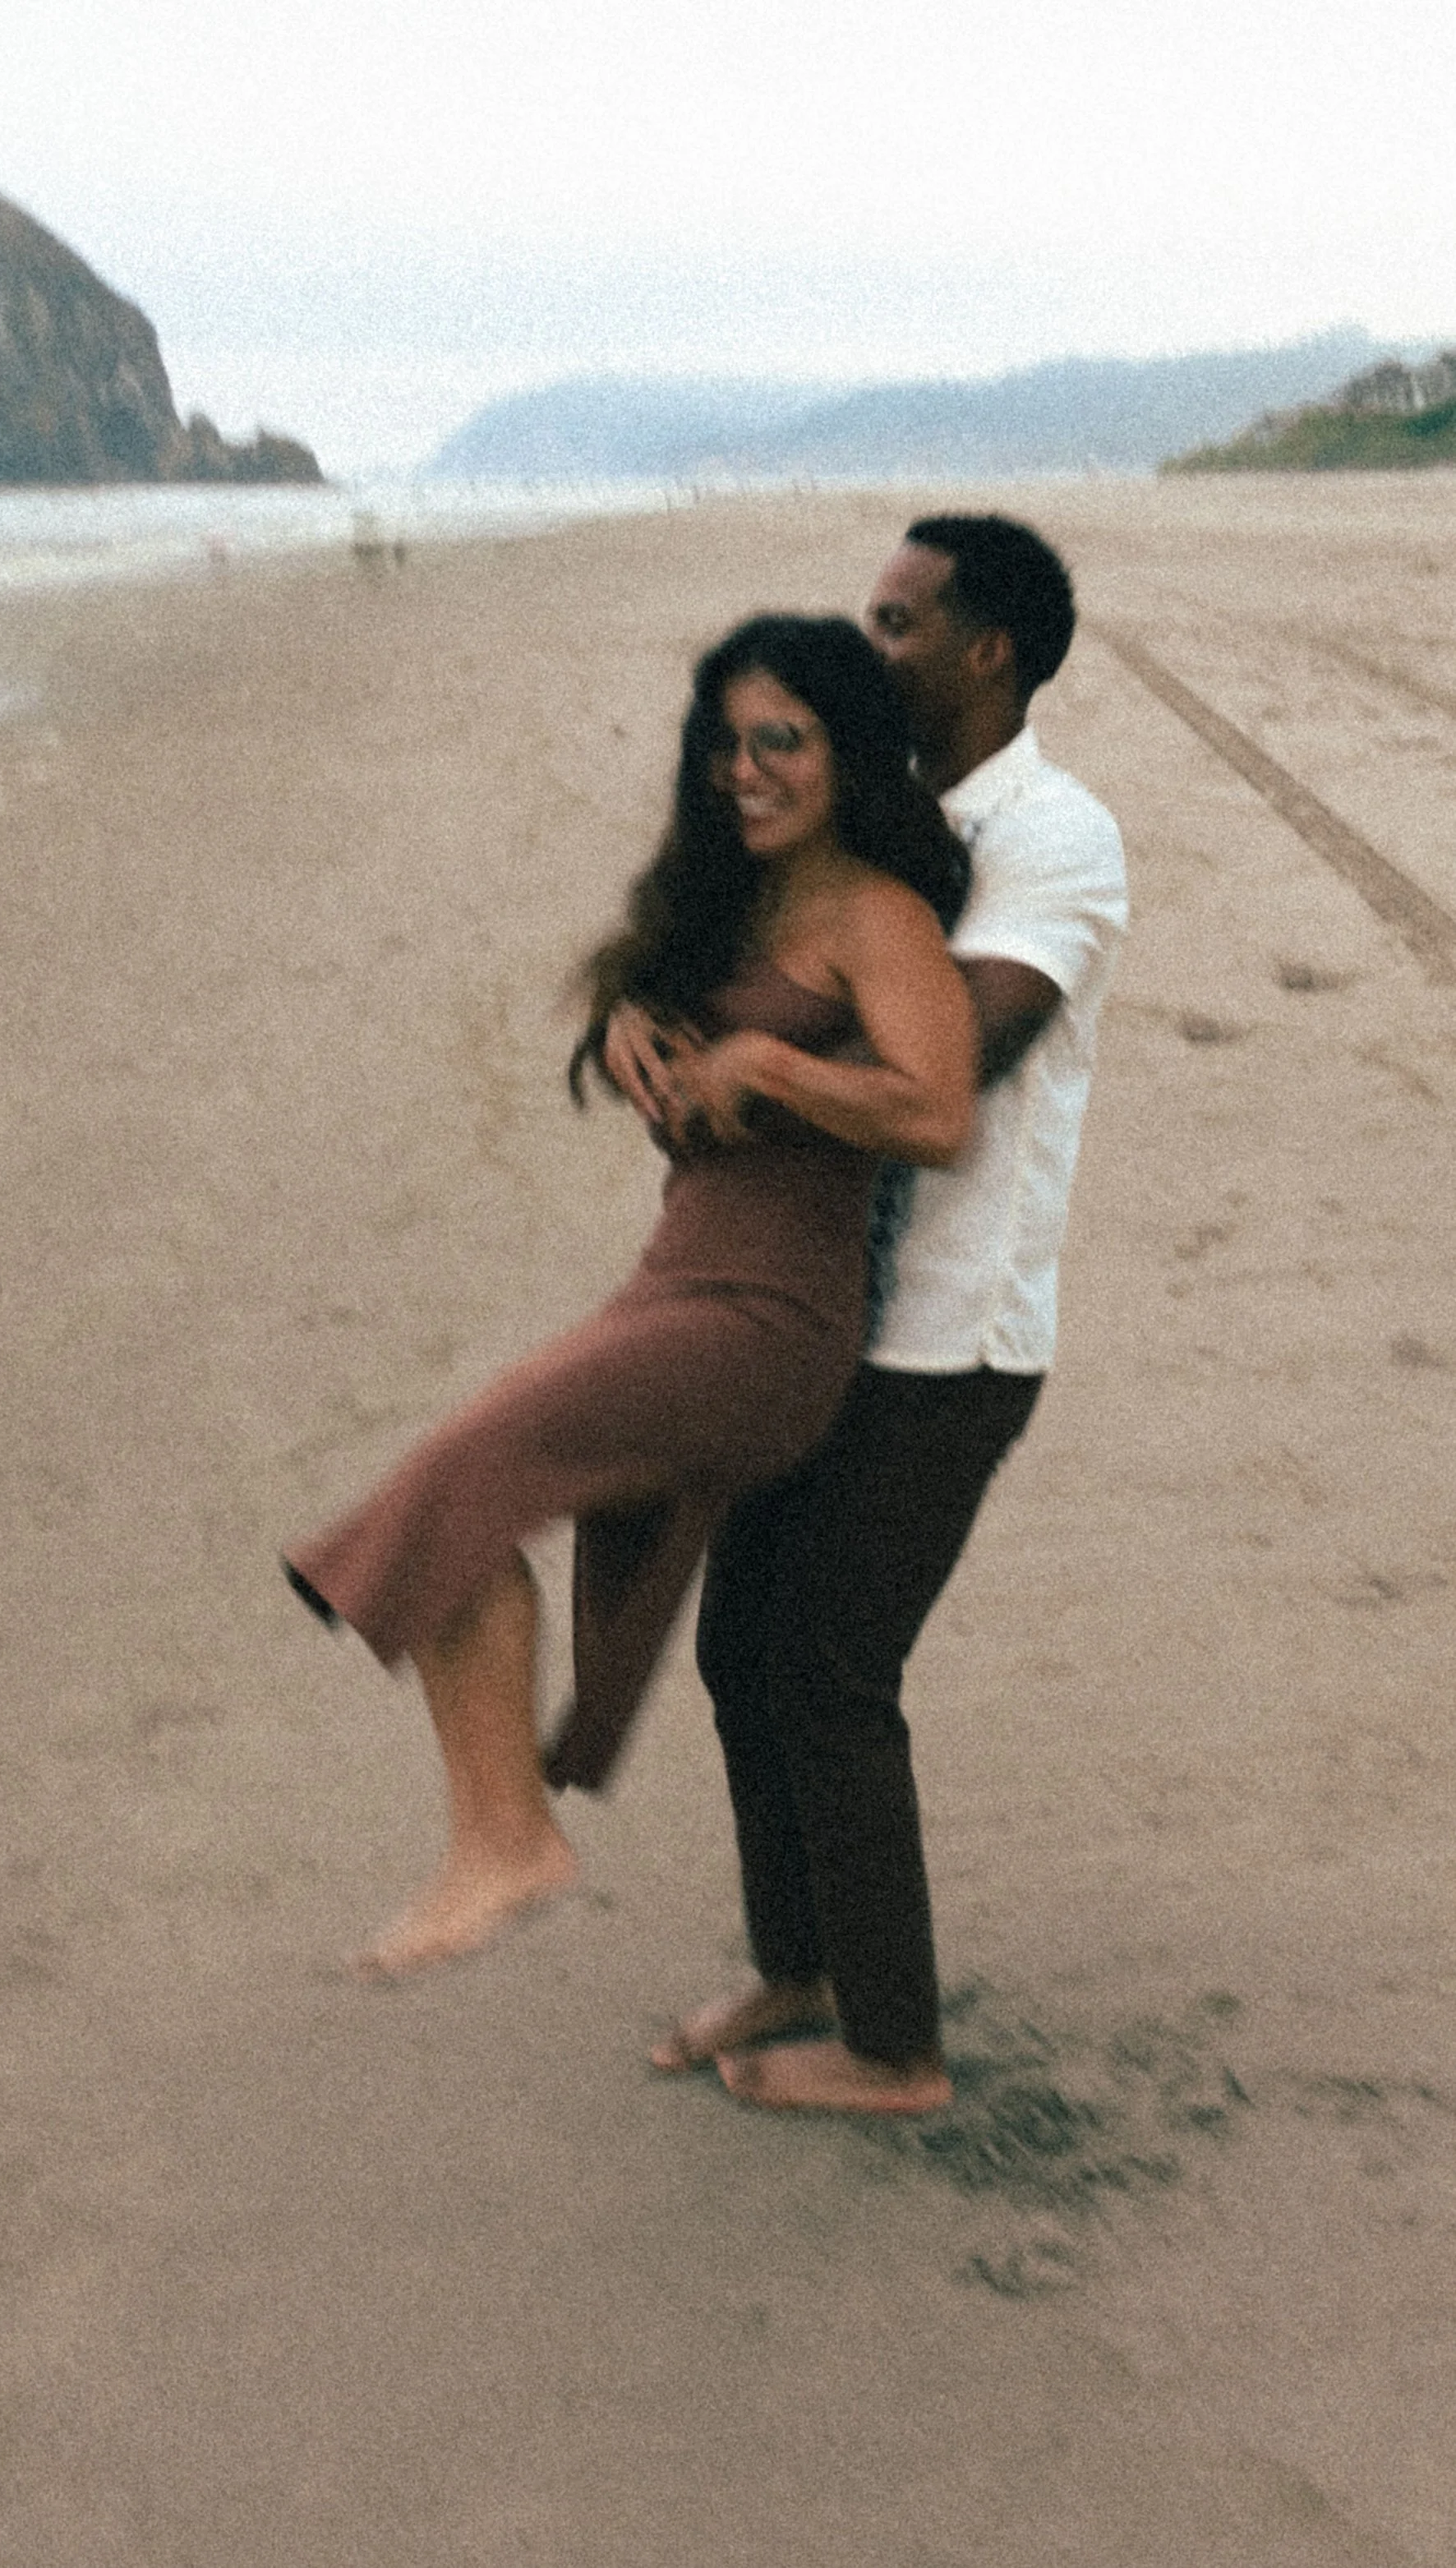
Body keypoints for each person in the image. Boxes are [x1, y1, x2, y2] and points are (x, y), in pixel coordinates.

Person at [286, 615, 977, 1979]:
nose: (747, 769)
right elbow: (673, 1040)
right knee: (463, 1506)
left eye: (781, 738)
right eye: (725, 743)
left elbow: (940, 1112)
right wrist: (631, 1032)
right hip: (677, 1282)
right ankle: (502, 1831)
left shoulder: (877, 917)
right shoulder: (733, 908)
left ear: (846, 750)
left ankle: (508, 1842)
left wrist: (776, 1074)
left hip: (770, 1323)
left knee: (461, 1472)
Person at [607, 515, 1127, 2115]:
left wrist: (753, 1059)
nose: (866, 640)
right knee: (738, 1646)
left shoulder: (1050, 839)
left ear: (985, 650)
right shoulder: (861, 817)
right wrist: (648, 1016)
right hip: (806, 1307)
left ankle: (894, 2050)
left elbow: (938, 1072)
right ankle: (800, 1963)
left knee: (831, 1667)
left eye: (895, 622)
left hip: (946, 1342)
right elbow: (729, 962)